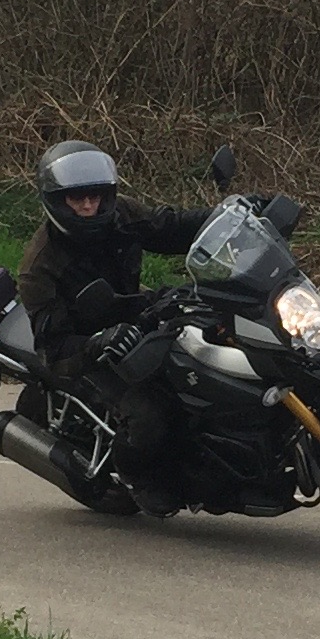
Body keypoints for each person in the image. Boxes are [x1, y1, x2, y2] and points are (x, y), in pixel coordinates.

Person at [16, 139, 209, 513]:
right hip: (86, 351)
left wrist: (233, 212)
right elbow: (52, 349)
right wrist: (97, 342)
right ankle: (140, 478)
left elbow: (169, 228)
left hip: (132, 319)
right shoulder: (40, 268)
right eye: (77, 198)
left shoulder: (120, 214)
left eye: (96, 196)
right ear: (56, 200)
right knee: (150, 414)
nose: (89, 206)